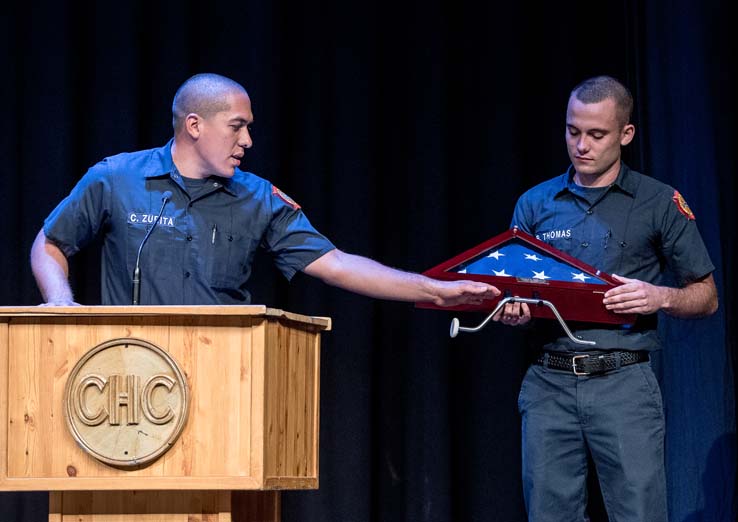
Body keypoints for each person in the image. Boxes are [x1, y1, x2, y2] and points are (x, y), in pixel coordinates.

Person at [30, 73, 499, 309]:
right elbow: (51, 242)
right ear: (194, 125)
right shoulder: (117, 178)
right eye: (237, 127)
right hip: (131, 377)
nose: (248, 141)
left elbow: (335, 264)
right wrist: (59, 299)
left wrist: (433, 291)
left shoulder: (258, 198)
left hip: (226, 373)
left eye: (249, 128)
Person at [495, 75, 718, 521]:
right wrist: (511, 309)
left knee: (639, 514)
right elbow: (513, 291)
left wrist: (658, 296)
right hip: (549, 382)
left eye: (596, 134)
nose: (581, 145)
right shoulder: (536, 204)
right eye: (572, 131)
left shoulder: (658, 201)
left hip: (623, 384)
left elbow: (706, 296)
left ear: (625, 134)